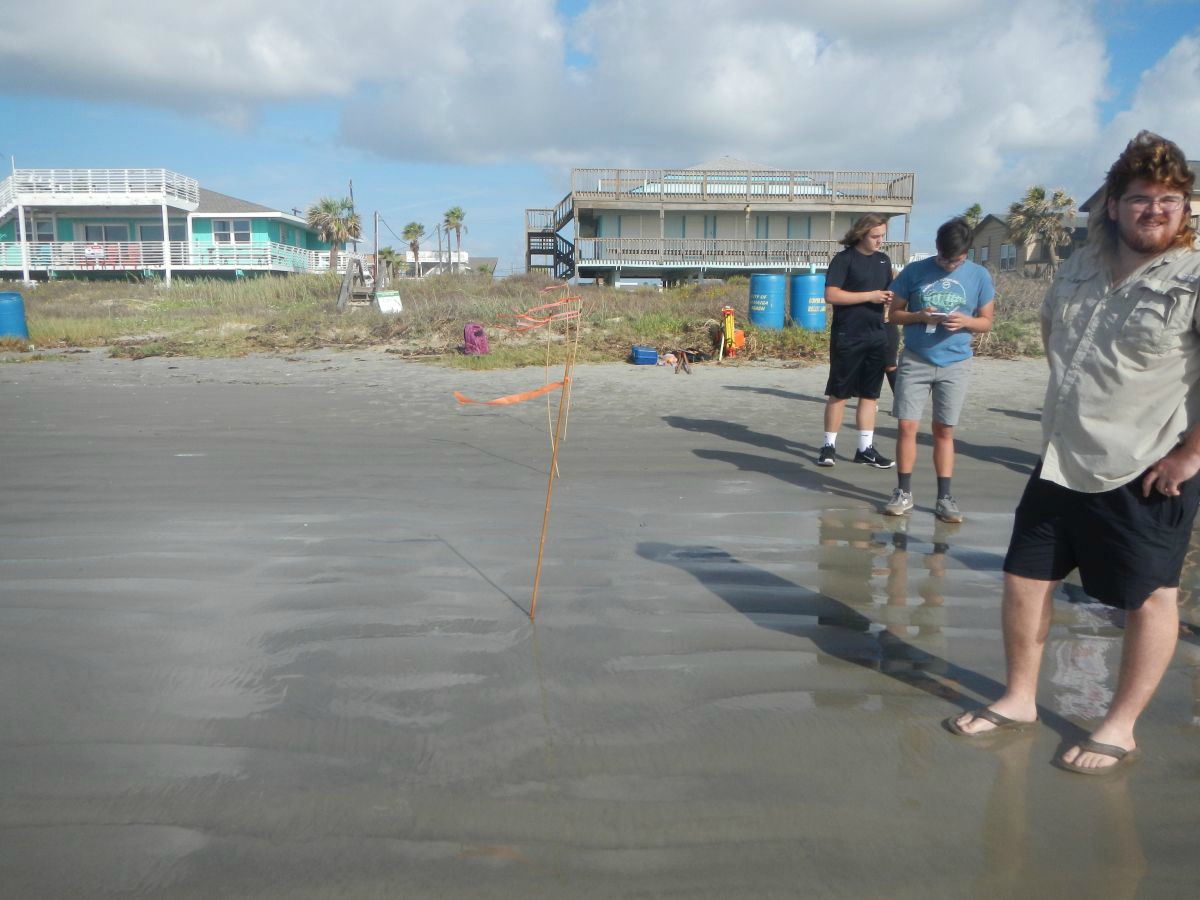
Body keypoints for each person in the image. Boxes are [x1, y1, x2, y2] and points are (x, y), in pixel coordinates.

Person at [948, 131, 1200, 775]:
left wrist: (1188, 457)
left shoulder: (1194, 277)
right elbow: (1052, 330)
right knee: (1024, 578)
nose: (1157, 210)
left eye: (1171, 199)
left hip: (1147, 465)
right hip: (1062, 457)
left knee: (1150, 596)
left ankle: (1120, 726)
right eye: (1142, 198)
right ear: (1113, 204)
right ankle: (1019, 698)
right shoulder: (1080, 264)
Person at [883, 218, 995, 522]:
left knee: (944, 429)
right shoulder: (914, 272)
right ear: (937, 249)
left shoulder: (979, 275)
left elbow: (986, 321)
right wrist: (919, 315)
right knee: (907, 426)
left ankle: (945, 497)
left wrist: (966, 322)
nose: (949, 265)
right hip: (916, 359)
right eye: (945, 259)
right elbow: (893, 315)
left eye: (956, 260)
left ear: (967, 253)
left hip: (956, 362)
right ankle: (903, 491)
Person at [817, 213, 896, 469]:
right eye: (875, 236)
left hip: (877, 334)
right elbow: (831, 295)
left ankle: (865, 448)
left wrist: (888, 298)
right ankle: (828, 446)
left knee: (870, 395)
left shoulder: (884, 261)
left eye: (882, 236)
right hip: (848, 334)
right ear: (861, 234)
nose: (880, 241)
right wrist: (869, 296)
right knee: (840, 392)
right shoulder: (844, 259)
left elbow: (887, 293)